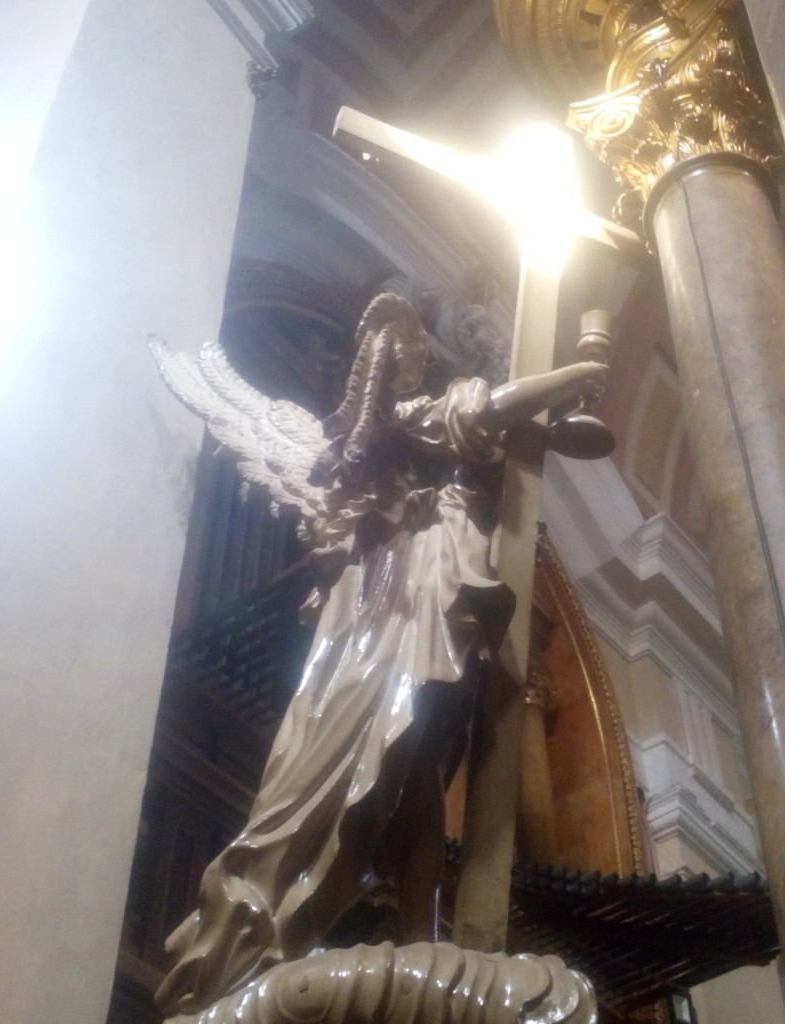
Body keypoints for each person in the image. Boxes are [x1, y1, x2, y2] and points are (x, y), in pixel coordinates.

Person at [155, 293, 607, 1016]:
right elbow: (487, 412)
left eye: (413, 350)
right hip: (390, 614)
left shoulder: (417, 444)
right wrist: (574, 374)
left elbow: (486, 427)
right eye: (399, 352)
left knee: (420, 770)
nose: (410, 360)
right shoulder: (403, 425)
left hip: (429, 601)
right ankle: (254, 929)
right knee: (354, 764)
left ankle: (414, 929)